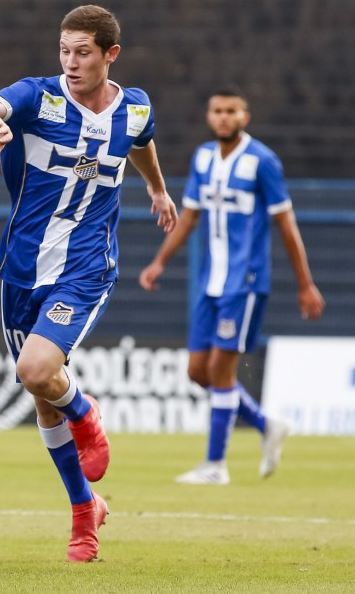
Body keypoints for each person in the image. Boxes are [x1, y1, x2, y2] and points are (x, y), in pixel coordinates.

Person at [0, 4, 177, 562]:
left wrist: (156, 188)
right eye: (64, 50)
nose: (71, 62)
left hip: (85, 269)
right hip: (22, 270)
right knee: (40, 398)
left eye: (83, 52)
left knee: (35, 371)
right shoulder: (37, 96)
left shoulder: (134, 107)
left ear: (110, 55)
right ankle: (85, 513)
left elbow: (142, 139)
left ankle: (87, 414)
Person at [139, 87, 324, 485]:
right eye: (217, 111)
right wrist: (159, 262)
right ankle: (265, 424)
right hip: (211, 282)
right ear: (209, 116)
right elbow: (188, 217)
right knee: (197, 371)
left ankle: (215, 465)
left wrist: (305, 285)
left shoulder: (262, 162)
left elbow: (286, 225)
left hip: (246, 282)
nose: (223, 117)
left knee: (221, 372)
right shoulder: (203, 158)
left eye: (231, 111)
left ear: (245, 117)